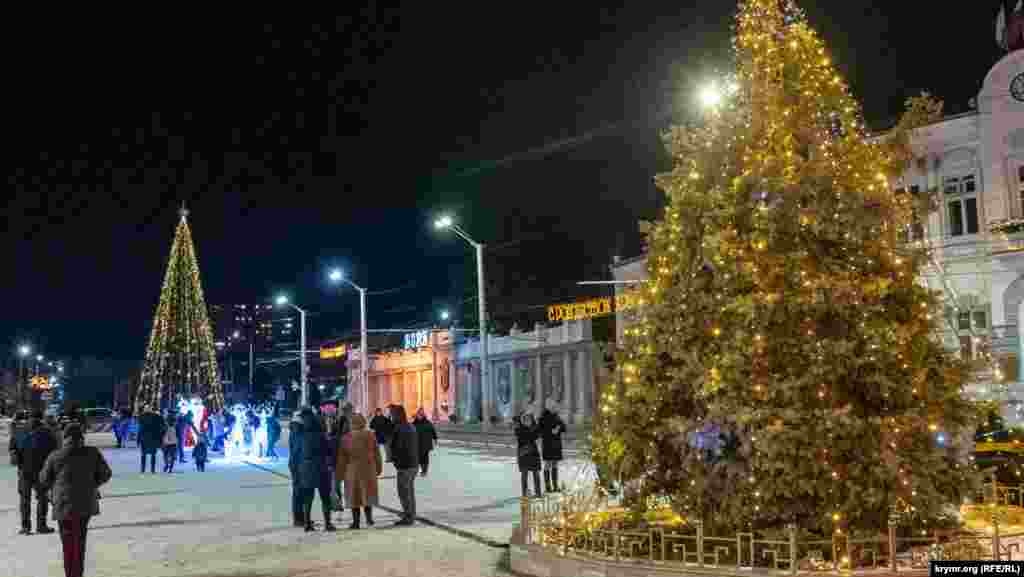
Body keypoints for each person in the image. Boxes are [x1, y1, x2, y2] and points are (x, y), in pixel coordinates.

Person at [39, 422, 112, 577]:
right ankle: (78, 574)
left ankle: (69, 574)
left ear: (65, 437)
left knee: (67, 542)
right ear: (81, 437)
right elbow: (106, 473)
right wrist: (92, 483)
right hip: (85, 503)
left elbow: (44, 479)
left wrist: (54, 487)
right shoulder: (92, 453)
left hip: (62, 503)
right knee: (80, 541)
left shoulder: (56, 455)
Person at [9, 411, 57, 535]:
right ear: (41, 419)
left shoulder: (19, 431)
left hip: (24, 470)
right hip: (41, 470)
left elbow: (12, 447)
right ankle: (41, 525)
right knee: (42, 498)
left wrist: (17, 457)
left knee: (25, 499)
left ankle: (25, 527)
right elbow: (54, 451)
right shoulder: (47, 433)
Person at [336, 413, 382, 529]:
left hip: (352, 470)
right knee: (367, 494)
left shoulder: (346, 438)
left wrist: (340, 474)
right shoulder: (370, 435)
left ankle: (356, 522)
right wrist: (378, 467)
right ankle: (369, 519)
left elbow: (342, 458)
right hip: (368, 469)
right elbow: (377, 453)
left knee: (354, 496)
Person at [299, 408, 336, 532]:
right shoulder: (321, 434)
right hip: (321, 468)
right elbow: (328, 451)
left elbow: (297, 452)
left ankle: (307, 524)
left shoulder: (301, 434)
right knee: (325, 497)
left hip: (306, 468)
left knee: (308, 498)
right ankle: (327, 523)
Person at [388, 404, 419, 526]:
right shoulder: (411, 426)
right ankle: (411, 514)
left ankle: (408, 517)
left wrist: (395, 460)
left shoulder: (399, 428)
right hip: (413, 464)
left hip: (404, 465)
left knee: (404, 493)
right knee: (409, 491)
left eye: (393, 414)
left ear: (397, 415)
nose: (391, 417)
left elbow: (399, 447)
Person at [514, 413, 543, 498]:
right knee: (524, 473)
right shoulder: (518, 429)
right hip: (523, 453)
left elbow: (537, 436)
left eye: (529, 419)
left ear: (531, 420)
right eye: (525, 419)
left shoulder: (535, 428)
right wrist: (534, 430)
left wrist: (535, 430)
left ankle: (538, 493)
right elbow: (529, 437)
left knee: (536, 473)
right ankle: (525, 493)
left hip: (533, 453)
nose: (527, 421)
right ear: (522, 421)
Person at [539, 408, 566, 493]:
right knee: (548, 464)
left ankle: (554, 486)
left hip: (555, 444)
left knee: (554, 464)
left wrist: (559, 427)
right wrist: (552, 430)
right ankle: (549, 487)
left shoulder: (557, 418)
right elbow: (541, 431)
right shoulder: (543, 418)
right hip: (548, 444)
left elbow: (564, 428)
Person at [287, 413, 305, 527]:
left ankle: (300, 518)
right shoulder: (297, 431)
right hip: (298, 463)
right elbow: (299, 448)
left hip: (296, 463)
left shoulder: (295, 429)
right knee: (299, 492)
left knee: (299, 492)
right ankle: (299, 519)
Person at [137, 406, 164, 474]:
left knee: (143, 454)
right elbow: (162, 426)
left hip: (144, 438)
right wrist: (160, 438)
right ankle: (152, 470)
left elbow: (140, 429)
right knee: (153, 455)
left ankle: (143, 470)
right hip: (153, 438)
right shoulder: (157, 416)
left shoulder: (141, 417)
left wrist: (138, 439)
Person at [412, 408, 438, 477]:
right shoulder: (413, 424)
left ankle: (424, 471)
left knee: (425, 459)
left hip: (426, 444)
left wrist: (435, 439)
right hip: (416, 444)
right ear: (417, 415)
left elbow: (433, 432)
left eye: (421, 415)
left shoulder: (428, 423)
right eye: (419, 414)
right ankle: (416, 470)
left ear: (423, 415)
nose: (420, 416)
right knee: (416, 458)